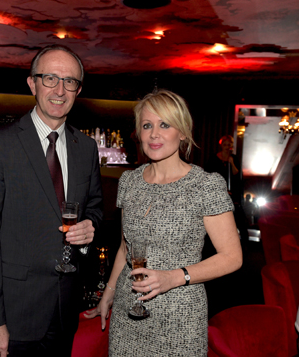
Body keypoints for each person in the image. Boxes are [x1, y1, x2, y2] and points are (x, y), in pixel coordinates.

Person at [0, 45, 103, 357]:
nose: (59, 90)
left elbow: (95, 207)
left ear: (78, 89)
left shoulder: (86, 148)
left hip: (65, 309)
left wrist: (89, 228)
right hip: (13, 317)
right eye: (50, 78)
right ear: (32, 83)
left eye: (69, 81)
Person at [86, 89, 243, 356]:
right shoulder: (129, 181)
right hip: (128, 313)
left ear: (182, 132)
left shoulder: (205, 185)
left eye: (164, 125)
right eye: (147, 126)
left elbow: (232, 257)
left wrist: (173, 277)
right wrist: (109, 294)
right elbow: (126, 248)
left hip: (179, 316)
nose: (154, 134)